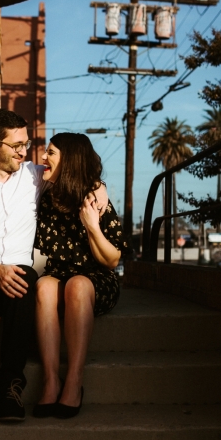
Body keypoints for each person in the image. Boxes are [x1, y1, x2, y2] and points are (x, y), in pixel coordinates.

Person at [0, 111, 108, 424]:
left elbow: (73, 169)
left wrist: (98, 184)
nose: (25, 152)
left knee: (26, 282)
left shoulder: (34, 176)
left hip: (21, 270)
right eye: (17, 145)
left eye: (27, 144)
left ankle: (11, 386)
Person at [32, 132, 130, 419]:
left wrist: (92, 226)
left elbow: (111, 261)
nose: (43, 157)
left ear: (69, 160)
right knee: (44, 288)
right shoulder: (50, 197)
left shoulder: (95, 200)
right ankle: (51, 380)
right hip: (60, 274)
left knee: (76, 285)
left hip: (96, 279)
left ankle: (74, 380)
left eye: (50, 153)